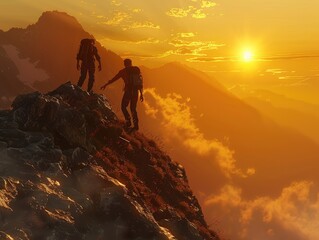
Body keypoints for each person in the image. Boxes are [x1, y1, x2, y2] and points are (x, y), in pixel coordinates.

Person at [100, 59, 144, 131]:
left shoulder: (123, 72)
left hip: (128, 92)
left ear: (124, 64)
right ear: (131, 63)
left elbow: (114, 79)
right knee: (133, 109)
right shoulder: (136, 70)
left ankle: (128, 121)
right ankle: (136, 126)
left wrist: (106, 84)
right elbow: (140, 83)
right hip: (136, 92)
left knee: (123, 106)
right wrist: (141, 94)